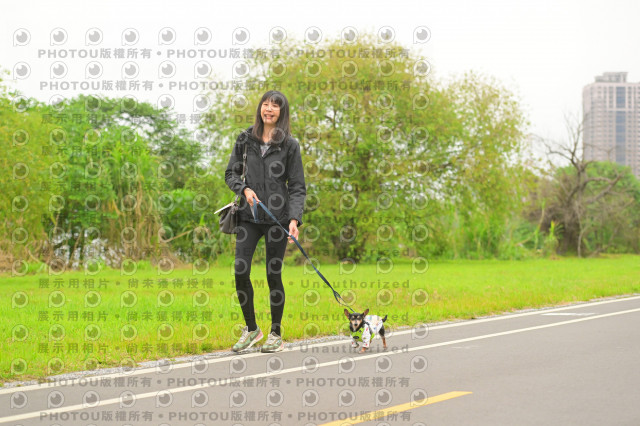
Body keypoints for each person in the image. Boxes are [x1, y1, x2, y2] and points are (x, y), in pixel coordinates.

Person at [224, 90, 307, 353]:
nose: (268, 109)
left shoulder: (289, 145)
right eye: (265, 104)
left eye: (275, 105)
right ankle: (252, 329)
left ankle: (275, 333)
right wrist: (244, 189)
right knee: (240, 270)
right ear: (260, 108)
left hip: (277, 219)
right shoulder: (245, 139)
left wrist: (294, 219)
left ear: (282, 112)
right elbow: (230, 174)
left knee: (273, 274)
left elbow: (297, 186)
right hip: (249, 216)